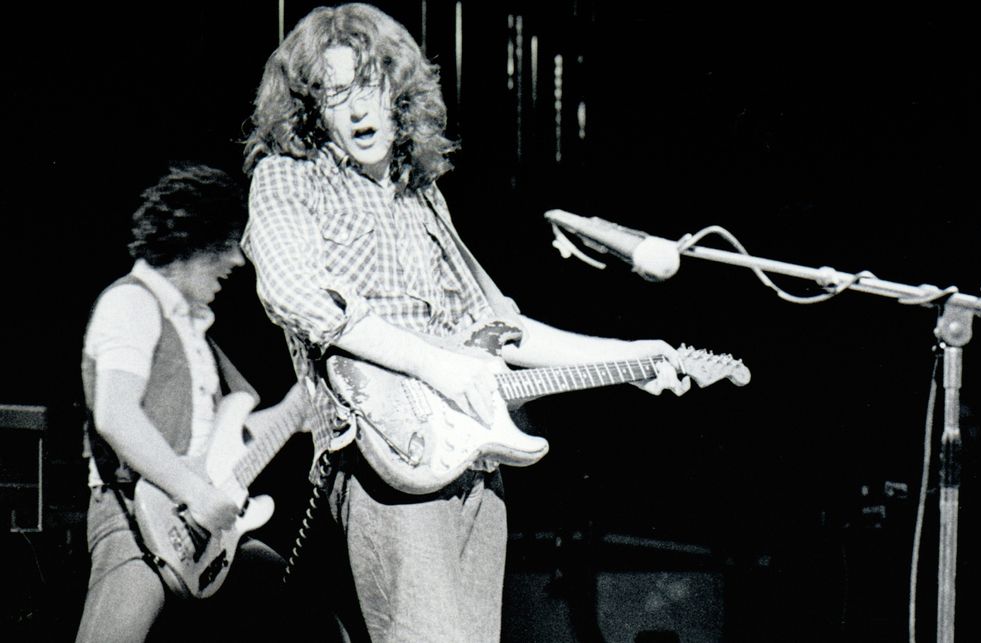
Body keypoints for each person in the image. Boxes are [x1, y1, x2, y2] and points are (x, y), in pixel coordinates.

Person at [240, 3, 690, 641]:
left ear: (399, 91)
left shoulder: (423, 198)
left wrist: (629, 356)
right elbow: (292, 292)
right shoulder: (290, 180)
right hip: (388, 463)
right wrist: (433, 362)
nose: (359, 109)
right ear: (314, 109)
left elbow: (501, 329)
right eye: (336, 94)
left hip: (471, 462)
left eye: (369, 85)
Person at [76, 163, 315, 642]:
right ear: (192, 239)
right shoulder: (131, 303)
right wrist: (198, 493)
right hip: (135, 518)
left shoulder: (193, 330)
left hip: (203, 530)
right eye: (228, 244)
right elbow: (115, 414)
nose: (239, 261)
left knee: (308, 621)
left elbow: (224, 441)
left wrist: (297, 412)